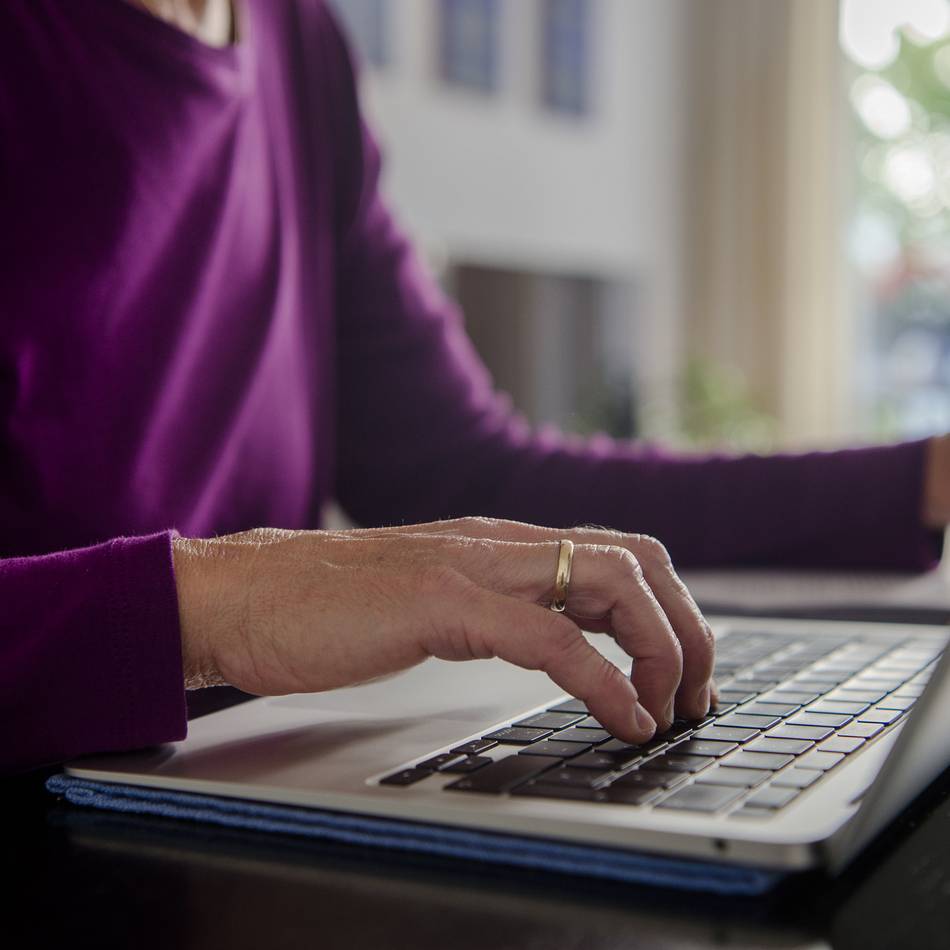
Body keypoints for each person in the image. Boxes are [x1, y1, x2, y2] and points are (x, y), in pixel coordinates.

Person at [2, 0, 948, 775]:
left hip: (249, 798)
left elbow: (457, 471)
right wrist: (220, 611)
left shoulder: (297, 42)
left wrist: (918, 484)